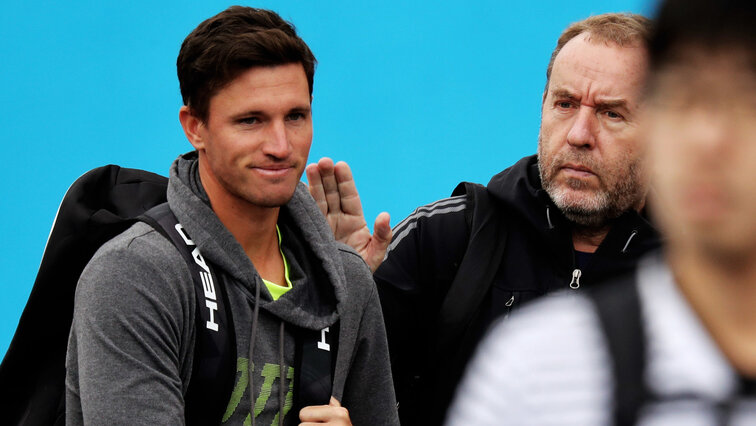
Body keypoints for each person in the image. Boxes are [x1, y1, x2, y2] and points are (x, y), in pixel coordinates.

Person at [307, 12, 660, 424]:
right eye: (564, 104)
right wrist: (343, 295)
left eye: (611, 113)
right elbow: (326, 394)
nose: (579, 134)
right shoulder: (443, 238)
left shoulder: (703, 278)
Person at [65, 7, 398, 425]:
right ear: (195, 127)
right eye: (251, 120)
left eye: (296, 116)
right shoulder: (136, 274)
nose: (281, 145)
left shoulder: (347, 283)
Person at [446, 0, 756, 423]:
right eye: (685, 101)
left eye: (612, 113)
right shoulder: (531, 364)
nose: (708, 139)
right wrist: (348, 287)